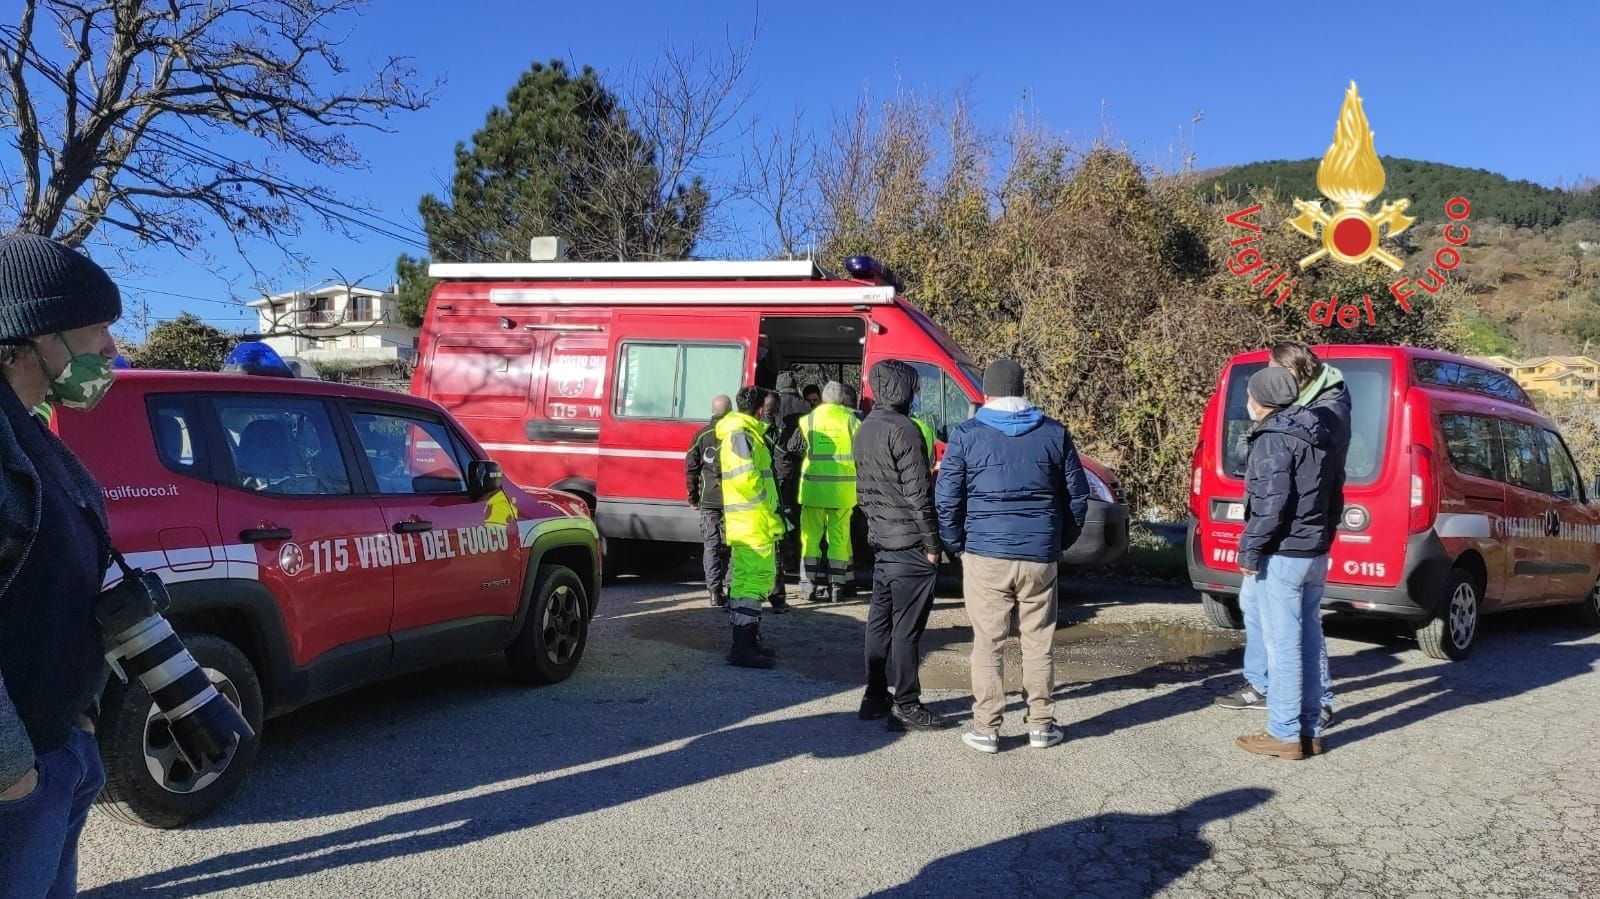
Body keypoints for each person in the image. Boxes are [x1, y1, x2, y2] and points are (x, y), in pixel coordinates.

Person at [0, 234, 123, 894]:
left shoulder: (32, 431)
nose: (109, 348)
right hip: (16, 786)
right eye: (96, 328)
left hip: (61, 753)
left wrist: (79, 722)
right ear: (29, 335)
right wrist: (16, 776)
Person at [936, 358, 1089, 753]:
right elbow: (1077, 496)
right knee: (1038, 640)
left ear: (986, 393)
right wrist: (1057, 542)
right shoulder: (1054, 433)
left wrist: (956, 542)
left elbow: (948, 496)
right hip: (1040, 553)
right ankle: (1041, 724)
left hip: (985, 552)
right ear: (1023, 390)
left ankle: (987, 728)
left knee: (989, 641)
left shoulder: (967, 435)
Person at [1215, 341, 1346, 729]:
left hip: (1287, 548)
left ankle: (1292, 726)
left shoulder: (1317, 416)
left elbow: (1272, 502)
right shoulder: (1301, 426)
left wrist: (1249, 551)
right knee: (1263, 614)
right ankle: (1277, 697)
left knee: (1288, 639)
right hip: (1303, 544)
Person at [854, 361, 953, 731]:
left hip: (882, 540)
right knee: (907, 630)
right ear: (905, 389)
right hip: (910, 542)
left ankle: (875, 695)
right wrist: (932, 543)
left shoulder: (865, 429)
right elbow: (918, 493)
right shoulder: (905, 430)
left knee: (879, 623)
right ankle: (907, 702)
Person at [717, 386, 785, 668]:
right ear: (759, 409)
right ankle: (743, 646)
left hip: (747, 522)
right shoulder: (743, 435)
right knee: (755, 581)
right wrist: (768, 507)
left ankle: (744, 642)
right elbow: (747, 480)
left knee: (745, 582)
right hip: (754, 521)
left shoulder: (742, 432)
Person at [788, 381, 859, 602]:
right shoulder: (851, 420)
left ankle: (808, 587)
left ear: (825, 397)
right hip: (842, 491)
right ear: (841, 399)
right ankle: (837, 588)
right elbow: (861, 450)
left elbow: (794, 446)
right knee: (838, 540)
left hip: (813, 491)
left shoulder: (809, 419)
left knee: (810, 539)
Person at [687, 395, 733, 608]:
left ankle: (714, 592)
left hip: (708, 498)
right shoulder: (736, 434)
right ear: (730, 411)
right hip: (734, 498)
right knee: (735, 545)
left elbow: (691, 469)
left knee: (711, 545)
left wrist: (692, 496)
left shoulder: (701, 435)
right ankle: (733, 587)